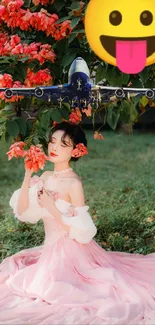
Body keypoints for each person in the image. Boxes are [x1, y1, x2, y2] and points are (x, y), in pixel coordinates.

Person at [0, 121, 155, 325]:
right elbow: (21, 211)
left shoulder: (74, 183)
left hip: (71, 249)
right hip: (50, 249)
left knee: (56, 288)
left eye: (63, 144)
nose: (54, 148)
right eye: (53, 142)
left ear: (75, 151)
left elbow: (81, 230)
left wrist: (52, 206)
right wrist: (28, 175)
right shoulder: (45, 176)